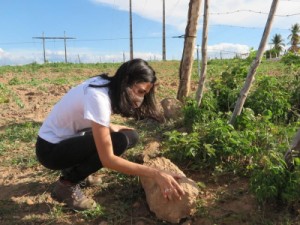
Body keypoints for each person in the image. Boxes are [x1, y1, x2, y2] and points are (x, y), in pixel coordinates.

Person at [35, 58, 184, 211]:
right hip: (50, 150)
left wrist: (110, 126)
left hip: (68, 139)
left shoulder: (105, 84)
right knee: (117, 142)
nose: (141, 98)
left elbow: (84, 115)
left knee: (130, 136)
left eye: (144, 94)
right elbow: (108, 160)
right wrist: (156, 173)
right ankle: (67, 184)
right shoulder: (98, 97)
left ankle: (77, 170)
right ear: (126, 82)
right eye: (140, 91)